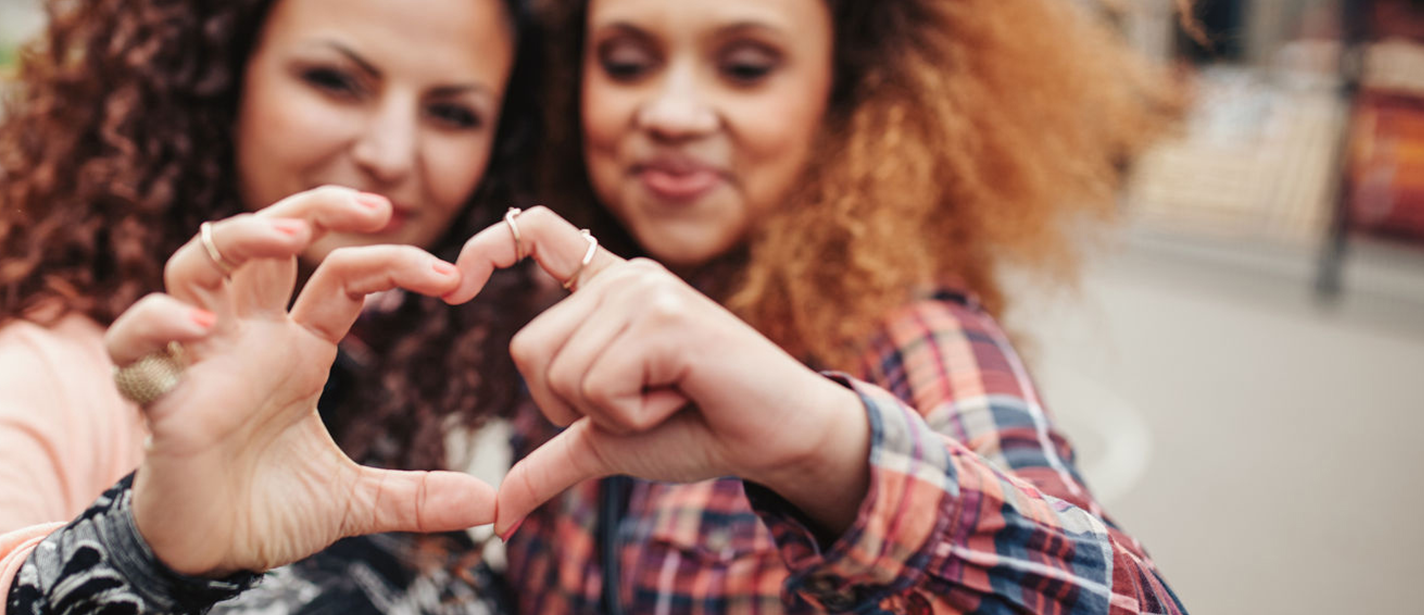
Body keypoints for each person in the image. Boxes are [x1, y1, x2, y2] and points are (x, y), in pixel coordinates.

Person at [70, 0, 1190, 613]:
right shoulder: (536, 319)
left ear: (847, 96)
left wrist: (821, 447)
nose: (673, 111)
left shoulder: (911, 337)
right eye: (628, 57)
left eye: (746, 64)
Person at [0, 0, 545, 612]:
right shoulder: (67, 376)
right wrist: (137, 554)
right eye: (335, 81)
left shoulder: (424, 352)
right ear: (217, 78)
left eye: (452, 113)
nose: (390, 150)